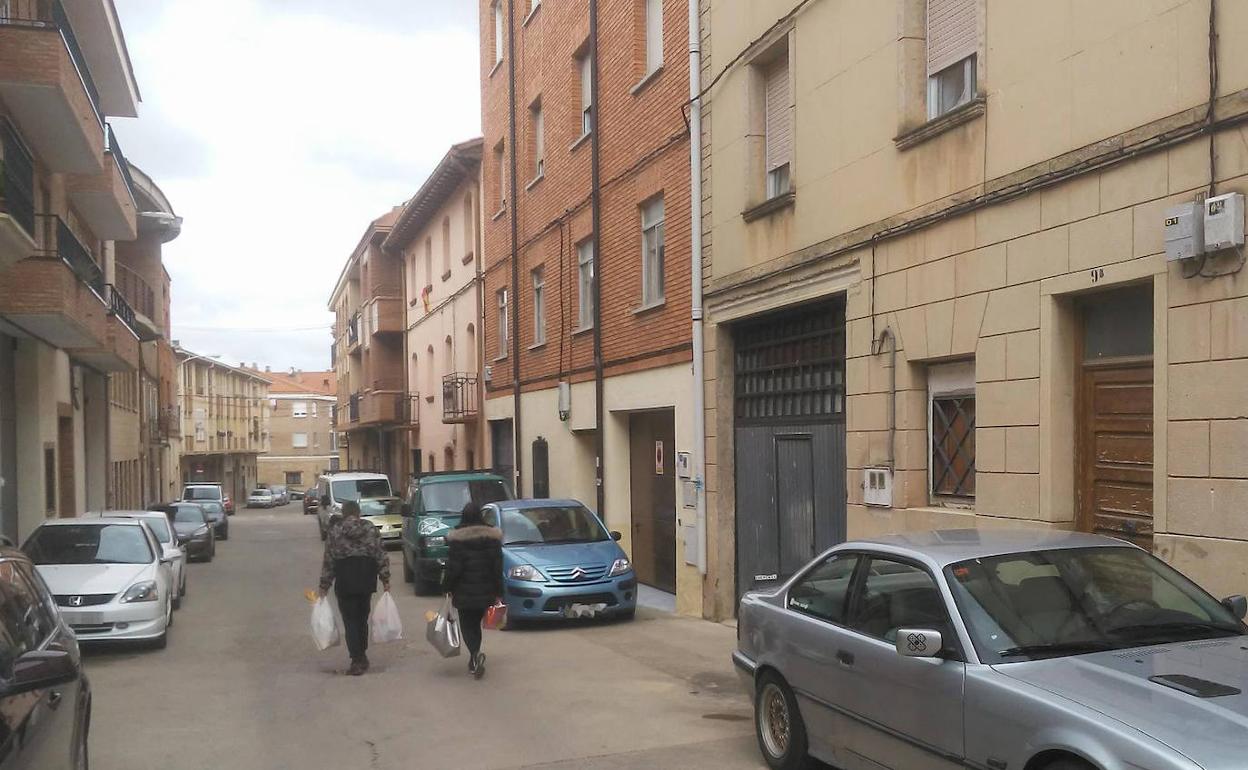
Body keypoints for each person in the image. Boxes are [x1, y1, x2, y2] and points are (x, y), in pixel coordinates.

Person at [318, 500, 390, 676]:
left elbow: (329, 560)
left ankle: (356, 659)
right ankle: (362, 655)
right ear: (358, 513)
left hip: (345, 579)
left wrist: (324, 585)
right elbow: (380, 554)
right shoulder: (370, 528)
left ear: (343, 513)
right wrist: (385, 578)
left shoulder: (335, 531)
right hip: (366, 578)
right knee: (362, 617)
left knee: (350, 620)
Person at [444, 501, 503, 679]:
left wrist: (446, 587)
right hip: (486, 590)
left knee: (467, 625)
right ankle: (475, 655)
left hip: (464, 591)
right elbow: (497, 566)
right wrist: (499, 590)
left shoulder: (458, 539)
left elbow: (454, 568)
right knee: (476, 624)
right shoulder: (492, 538)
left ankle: (474, 655)